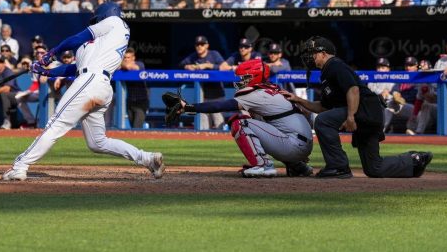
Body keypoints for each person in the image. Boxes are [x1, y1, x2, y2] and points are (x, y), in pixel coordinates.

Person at [1, 2, 164, 181]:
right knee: (97, 142)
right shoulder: (98, 44)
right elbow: (73, 69)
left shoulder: (116, 22)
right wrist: (45, 71)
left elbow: (79, 36)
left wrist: (52, 52)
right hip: (98, 86)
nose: (94, 22)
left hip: (91, 81)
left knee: (55, 124)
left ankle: (20, 165)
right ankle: (147, 158)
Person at [284, 36, 433, 178]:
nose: (310, 57)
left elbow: (353, 89)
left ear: (323, 54)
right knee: (374, 168)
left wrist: (350, 116)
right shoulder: (327, 72)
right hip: (367, 114)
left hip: (365, 112)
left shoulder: (334, 65)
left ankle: (338, 167)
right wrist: (297, 99)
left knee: (323, 121)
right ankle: (414, 161)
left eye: (313, 53)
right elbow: (323, 106)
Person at [165, 59, 313, 178]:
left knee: (240, 123)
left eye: (244, 77)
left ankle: (263, 165)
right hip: (300, 141)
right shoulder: (273, 88)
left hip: (293, 143)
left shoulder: (255, 94)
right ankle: (297, 166)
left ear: (254, 77)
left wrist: (188, 107)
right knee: (254, 117)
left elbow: (221, 106)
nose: (241, 80)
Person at [178, 35, 227, 129]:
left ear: (207, 45)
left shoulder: (214, 54)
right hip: (202, 98)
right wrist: (187, 67)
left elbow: (224, 68)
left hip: (217, 97)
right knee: (203, 129)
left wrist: (207, 65)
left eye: (202, 44)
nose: (199, 46)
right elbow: (181, 64)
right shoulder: (193, 57)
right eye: (197, 44)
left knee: (219, 126)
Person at [120, 47, 148, 129]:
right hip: (130, 101)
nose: (126, 59)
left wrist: (121, 63)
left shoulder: (140, 64)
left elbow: (130, 67)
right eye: (124, 57)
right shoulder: (123, 67)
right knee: (132, 128)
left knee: (137, 128)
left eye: (128, 57)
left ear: (133, 58)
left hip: (141, 102)